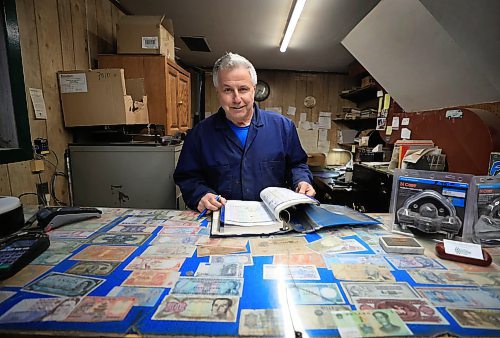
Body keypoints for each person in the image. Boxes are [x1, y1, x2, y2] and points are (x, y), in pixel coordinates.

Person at [174, 52, 315, 212]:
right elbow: (187, 176)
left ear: (253, 90)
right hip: (220, 221)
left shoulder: (283, 127)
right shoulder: (199, 134)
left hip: (273, 222)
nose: (236, 99)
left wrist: (302, 181)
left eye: (243, 89)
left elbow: (297, 165)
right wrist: (200, 195)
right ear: (218, 91)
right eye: (227, 90)